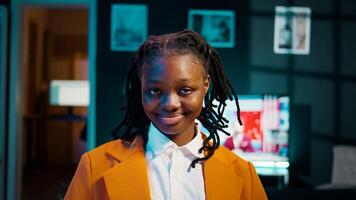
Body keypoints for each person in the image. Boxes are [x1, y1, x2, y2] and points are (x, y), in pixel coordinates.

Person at [65, 29, 267, 200]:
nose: (170, 104)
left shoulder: (243, 174)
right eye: (155, 91)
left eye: (185, 90)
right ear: (141, 88)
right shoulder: (94, 166)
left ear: (206, 85)